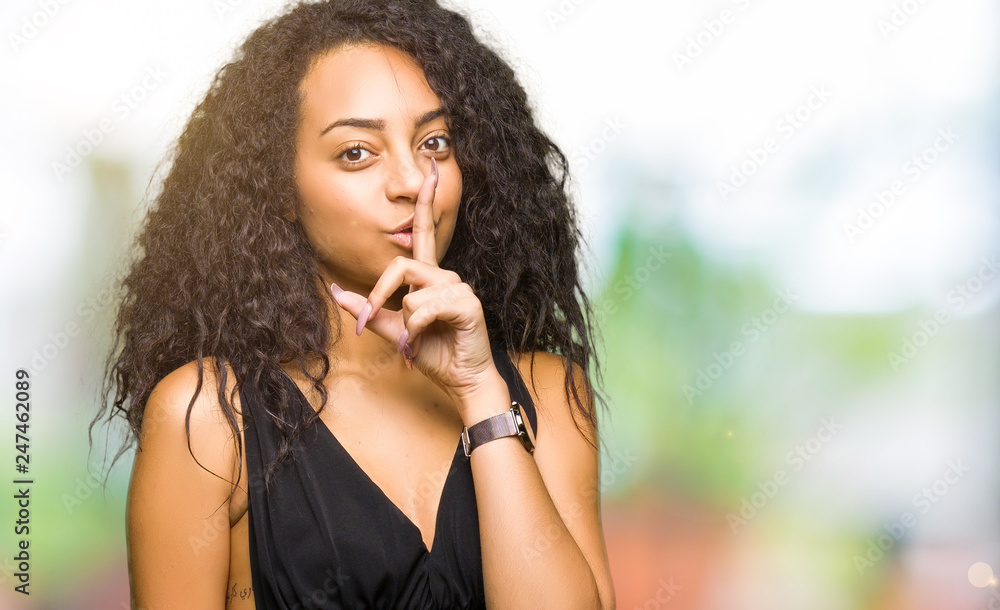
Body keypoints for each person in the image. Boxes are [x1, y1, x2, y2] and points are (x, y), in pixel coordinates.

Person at [91, 0, 615, 607]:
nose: (412, 181)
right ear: (279, 188)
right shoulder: (209, 417)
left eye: (435, 143)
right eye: (357, 152)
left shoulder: (546, 393)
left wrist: (479, 394)